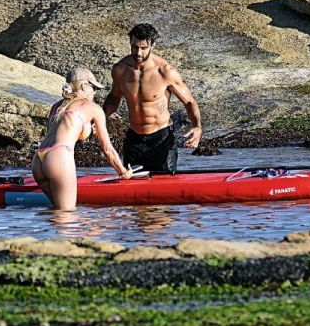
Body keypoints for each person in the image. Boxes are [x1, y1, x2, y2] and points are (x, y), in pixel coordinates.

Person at [103, 24, 202, 175]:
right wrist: (98, 120)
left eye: (143, 48)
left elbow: (189, 101)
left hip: (161, 140)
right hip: (134, 139)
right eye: (134, 47)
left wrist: (197, 127)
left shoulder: (165, 72)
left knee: (165, 188)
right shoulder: (120, 70)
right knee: (131, 187)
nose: (138, 52)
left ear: (152, 45)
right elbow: (114, 98)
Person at [31, 67, 132, 211]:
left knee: (57, 214)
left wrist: (87, 128)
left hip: (39, 160)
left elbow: (58, 134)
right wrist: (123, 172)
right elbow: (107, 149)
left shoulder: (56, 107)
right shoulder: (93, 107)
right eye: (94, 88)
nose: (95, 93)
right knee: (67, 215)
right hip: (58, 158)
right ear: (85, 86)